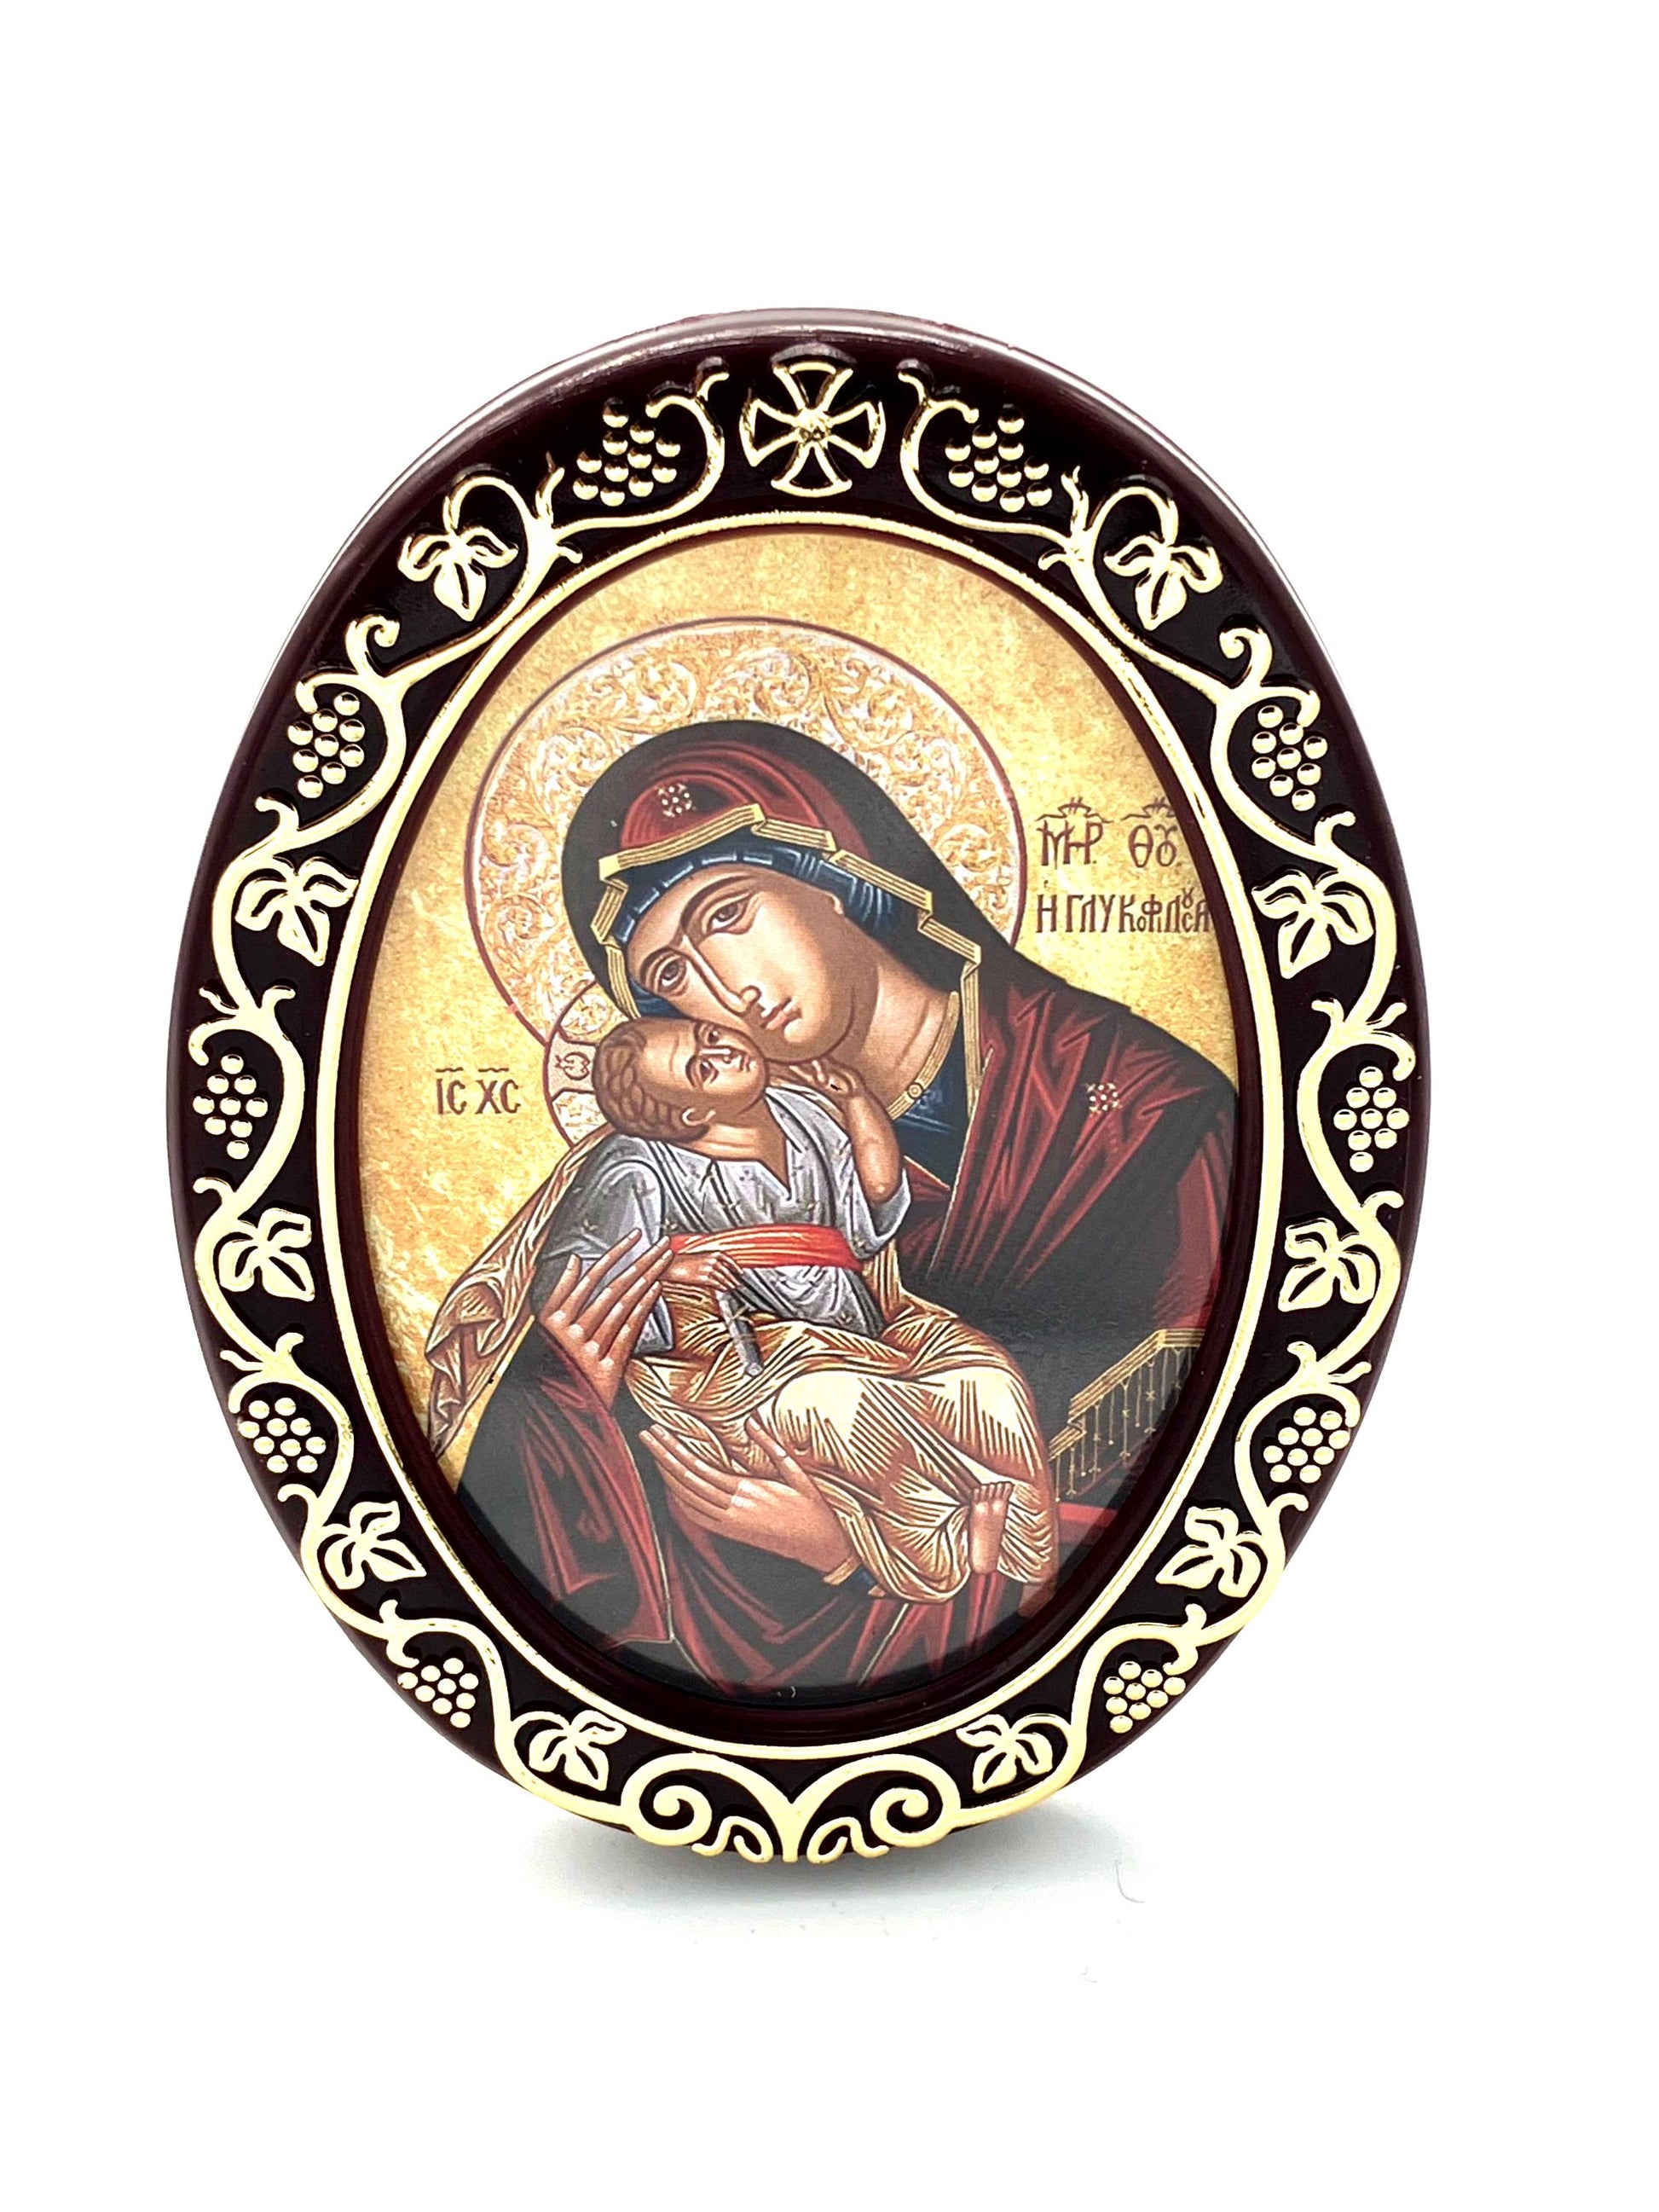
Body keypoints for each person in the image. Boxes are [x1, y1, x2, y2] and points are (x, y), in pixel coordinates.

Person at [430, 721, 1234, 1698]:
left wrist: (847, 1549)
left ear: (839, 874)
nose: (721, 990)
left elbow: (1189, 1490)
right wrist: (576, 1392)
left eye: (727, 913)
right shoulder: (659, 1176)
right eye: (669, 976)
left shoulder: (1134, 1118)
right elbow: (570, 1536)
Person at [537, 1014, 1055, 1608]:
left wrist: (857, 1104)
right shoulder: (636, 1164)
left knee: (988, 1381)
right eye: (702, 1068)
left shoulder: (803, 1113)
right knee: (842, 1406)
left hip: (863, 1327)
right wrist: (672, 1268)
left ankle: (1031, 1562)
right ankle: (934, 1558)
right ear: (687, 1114)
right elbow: (571, 1279)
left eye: (710, 1036)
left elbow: (872, 1208)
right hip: (738, 1366)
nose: (722, 1051)